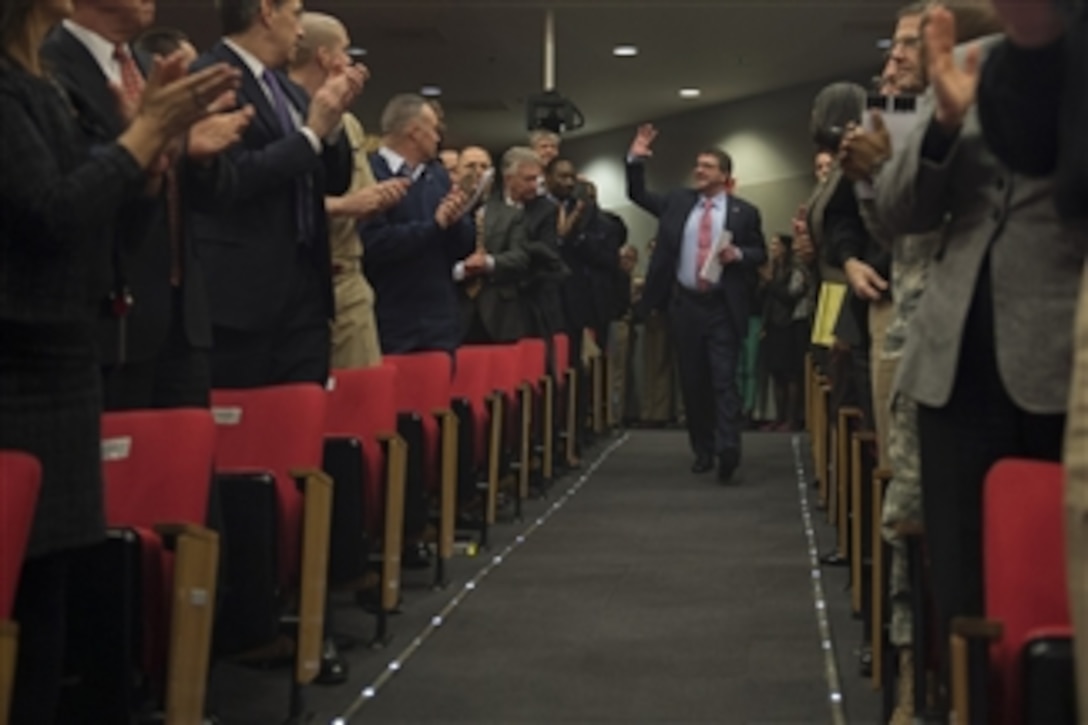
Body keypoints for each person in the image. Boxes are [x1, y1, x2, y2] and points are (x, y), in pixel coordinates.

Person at [0, 0, 237, 720]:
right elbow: (50, 212)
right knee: (29, 607)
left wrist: (151, 158)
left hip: (57, 362)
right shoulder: (16, 87)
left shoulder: (37, 82)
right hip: (22, 366)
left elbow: (109, 218)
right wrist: (146, 135)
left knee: (47, 603)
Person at [191, 0, 365, 388]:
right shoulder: (210, 77)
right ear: (266, 12)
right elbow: (230, 179)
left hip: (305, 288)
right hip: (241, 292)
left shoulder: (288, 90)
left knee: (301, 423)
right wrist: (310, 135)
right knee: (246, 431)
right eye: (296, 14)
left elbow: (332, 181)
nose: (301, 31)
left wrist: (332, 123)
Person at [627, 123, 768, 483]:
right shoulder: (677, 202)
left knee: (724, 379)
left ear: (724, 175)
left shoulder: (744, 213)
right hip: (685, 305)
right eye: (697, 165)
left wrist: (739, 253)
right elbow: (638, 194)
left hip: (722, 306)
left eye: (706, 166)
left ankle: (728, 448)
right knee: (693, 381)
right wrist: (635, 159)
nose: (698, 170)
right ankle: (703, 449)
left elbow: (759, 252)